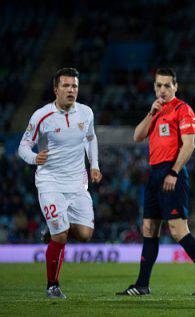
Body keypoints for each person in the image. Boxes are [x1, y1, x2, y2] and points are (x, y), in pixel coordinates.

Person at [117, 68, 195, 296]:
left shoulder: (182, 109)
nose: (162, 90)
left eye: (167, 85)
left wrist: (174, 172)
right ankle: (142, 285)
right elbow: (137, 136)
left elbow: (189, 145)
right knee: (149, 228)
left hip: (171, 172)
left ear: (176, 86)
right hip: (154, 173)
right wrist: (150, 113)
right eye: (158, 85)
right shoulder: (156, 111)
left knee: (177, 230)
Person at [18, 68, 102, 299]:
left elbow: (90, 138)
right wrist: (35, 158)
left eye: (74, 86)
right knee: (61, 236)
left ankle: (55, 227)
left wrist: (94, 165)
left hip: (77, 183)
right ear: (56, 89)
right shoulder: (41, 116)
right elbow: (23, 146)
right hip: (50, 182)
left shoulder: (85, 113)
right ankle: (52, 286)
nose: (71, 90)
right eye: (66, 86)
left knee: (85, 235)